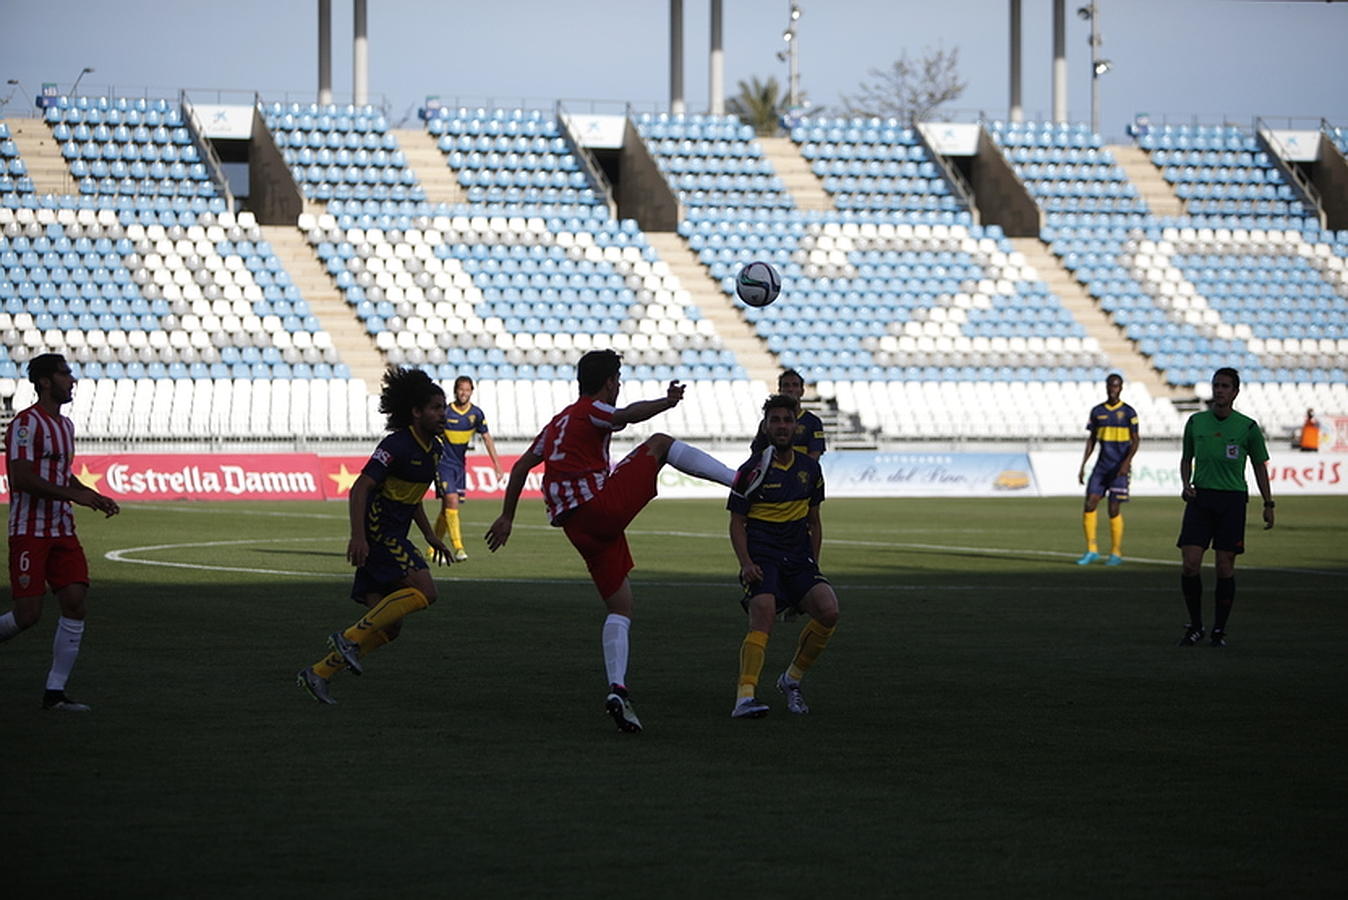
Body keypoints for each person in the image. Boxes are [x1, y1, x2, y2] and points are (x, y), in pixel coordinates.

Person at [485, 349, 747, 733]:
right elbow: (624, 416)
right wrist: (667, 401)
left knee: (620, 607)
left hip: (578, 528)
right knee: (659, 443)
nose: (619, 385)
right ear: (609, 382)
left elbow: (522, 466)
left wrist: (508, 516)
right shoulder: (591, 409)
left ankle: (618, 690)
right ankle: (740, 481)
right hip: (598, 508)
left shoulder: (556, 423)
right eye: (618, 379)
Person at [297, 367, 453, 704]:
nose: (443, 414)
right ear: (416, 412)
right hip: (381, 534)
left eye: (444, 407)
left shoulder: (434, 451)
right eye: (436, 408)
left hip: (394, 534)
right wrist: (359, 536)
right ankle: (349, 637)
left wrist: (430, 537)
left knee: (390, 627)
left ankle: (319, 673)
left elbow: (412, 501)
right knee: (426, 591)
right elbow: (360, 488)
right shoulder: (395, 445)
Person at [1, 353, 121, 712]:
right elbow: (21, 477)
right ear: (44, 382)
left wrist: (91, 494)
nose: (72, 380)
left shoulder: (65, 426)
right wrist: (76, 495)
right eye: (65, 374)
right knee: (28, 615)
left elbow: (60, 476)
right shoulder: (26, 424)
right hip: (29, 530)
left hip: (61, 529)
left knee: (75, 601)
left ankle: (55, 693)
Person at [728, 394, 838, 719]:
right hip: (764, 556)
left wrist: (813, 564)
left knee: (829, 610)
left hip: (798, 557)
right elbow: (736, 522)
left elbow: (814, 522)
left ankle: (791, 680)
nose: (782, 426)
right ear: (765, 426)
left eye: (787, 420)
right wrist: (746, 563)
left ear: (796, 426)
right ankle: (744, 697)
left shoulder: (811, 470)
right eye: (775, 420)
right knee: (763, 611)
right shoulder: (752, 470)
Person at [1176, 367, 1275, 649]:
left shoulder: (1248, 427)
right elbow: (1186, 459)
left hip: (1232, 501)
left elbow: (1259, 466)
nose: (1219, 390)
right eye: (1216, 385)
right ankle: (1195, 626)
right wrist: (1186, 483)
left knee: (1224, 566)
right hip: (1200, 499)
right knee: (1190, 563)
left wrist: (1268, 503)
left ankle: (1219, 630)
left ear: (1235, 392)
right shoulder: (1196, 423)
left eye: (1225, 386)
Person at [431, 375, 501, 562]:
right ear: (455, 391)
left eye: (467, 389)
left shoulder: (476, 414)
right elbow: (431, 432)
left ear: (471, 392)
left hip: (459, 466)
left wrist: (497, 465)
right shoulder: (445, 412)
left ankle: (433, 548)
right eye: (461, 389)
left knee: (447, 507)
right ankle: (458, 548)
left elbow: (486, 438)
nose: (464, 393)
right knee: (452, 501)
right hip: (443, 464)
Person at [1075, 372, 1140, 566]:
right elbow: (1092, 439)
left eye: (1117, 386)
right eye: (1110, 386)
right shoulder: (1097, 412)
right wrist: (1083, 464)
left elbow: (1136, 440)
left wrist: (1127, 462)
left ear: (1121, 388)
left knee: (1113, 508)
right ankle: (1091, 550)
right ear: (1106, 387)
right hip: (1102, 466)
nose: (1113, 390)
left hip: (1119, 467)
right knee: (1090, 503)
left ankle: (1115, 552)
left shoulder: (1129, 412)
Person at [750, 369, 826, 460]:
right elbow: (757, 454)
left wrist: (793, 470)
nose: (790, 389)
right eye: (786, 385)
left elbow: (815, 455)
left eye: (795, 385)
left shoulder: (813, 422)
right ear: (780, 390)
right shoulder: (768, 422)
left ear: (802, 391)